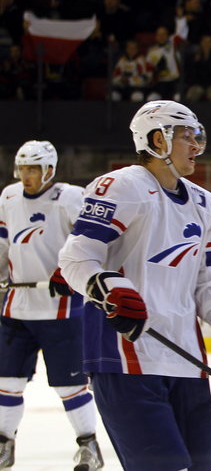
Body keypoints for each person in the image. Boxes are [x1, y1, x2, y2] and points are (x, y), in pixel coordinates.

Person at [58, 100, 211, 470]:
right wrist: (105, 286)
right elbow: (76, 257)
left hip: (187, 361)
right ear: (158, 139)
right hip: (125, 358)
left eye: (196, 136)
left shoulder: (206, 203)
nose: (196, 146)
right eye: (187, 136)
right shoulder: (122, 186)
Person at [0, 141, 103, 470]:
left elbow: (91, 238)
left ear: (49, 170)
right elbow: (5, 241)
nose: (26, 175)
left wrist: (68, 271)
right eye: (23, 168)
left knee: (69, 384)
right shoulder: (9, 196)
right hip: (17, 305)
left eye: (33, 168)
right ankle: (5, 442)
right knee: (6, 381)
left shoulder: (70, 197)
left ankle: (89, 445)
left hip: (62, 307)